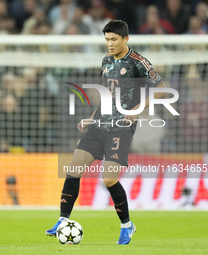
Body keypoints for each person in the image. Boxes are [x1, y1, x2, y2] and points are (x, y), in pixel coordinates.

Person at [45, 20, 167, 245]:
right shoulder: (106, 62)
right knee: (73, 168)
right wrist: (91, 118)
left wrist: (138, 109)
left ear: (125, 39)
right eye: (106, 39)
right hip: (99, 124)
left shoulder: (138, 62)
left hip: (121, 128)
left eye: (113, 39)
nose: (109, 44)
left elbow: (162, 90)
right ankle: (62, 221)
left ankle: (127, 226)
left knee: (109, 179)